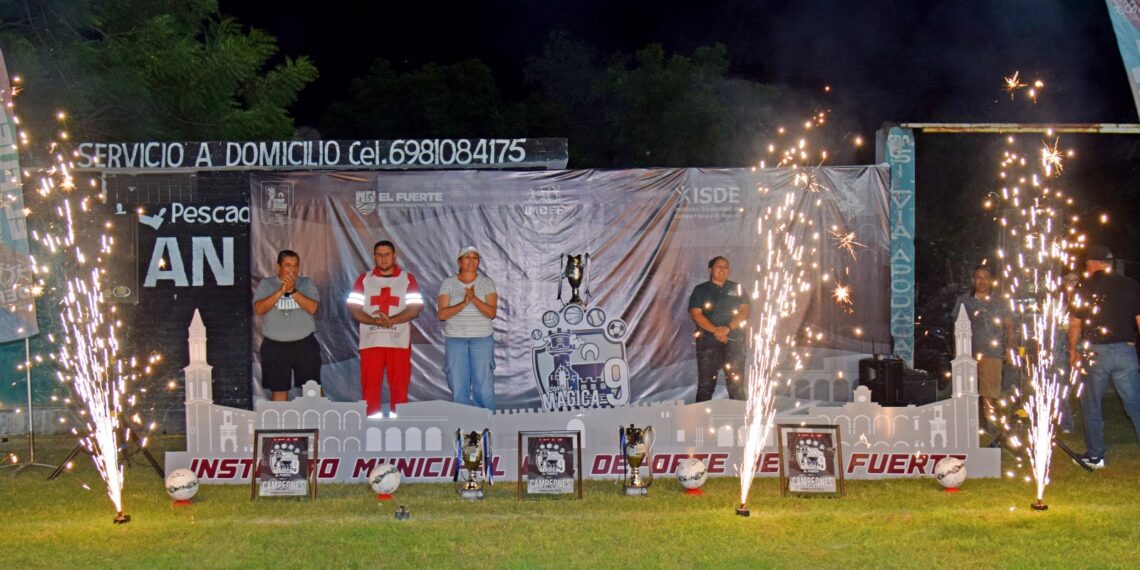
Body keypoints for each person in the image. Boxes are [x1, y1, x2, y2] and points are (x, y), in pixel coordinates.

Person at [1068, 245, 1140, 469]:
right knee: (1135, 405)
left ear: (1091, 263)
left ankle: (1096, 456)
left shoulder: (1085, 287)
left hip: (1096, 353)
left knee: (1092, 405)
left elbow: (1075, 322)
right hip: (1125, 351)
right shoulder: (1131, 285)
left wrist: (1073, 350)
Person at [347, 240, 424, 417]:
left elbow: (414, 309)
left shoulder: (407, 279)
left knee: (399, 387)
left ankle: (399, 429)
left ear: (394, 256)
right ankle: (372, 429)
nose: (383, 258)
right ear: (374, 257)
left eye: (387, 254)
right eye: (379, 255)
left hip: (399, 342)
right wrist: (377, 322)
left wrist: (391, 321)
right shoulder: (364, 279)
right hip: (371, 342)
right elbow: (354, 309)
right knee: (370, 388)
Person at [951, 264, 1015, 437]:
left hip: (992, 352)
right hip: (967, 353)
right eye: (979, 277)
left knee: (989, 390)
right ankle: (965, 423)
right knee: (966, 389)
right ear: (973, 280)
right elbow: (956, 327)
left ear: (991, 280)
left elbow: (1009, 326)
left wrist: (1010, 347)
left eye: (986, 277)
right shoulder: (964, 301)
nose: (982, 281)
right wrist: (958, 352)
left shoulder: (1000, 302)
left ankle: (990, 421)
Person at [253, 250, 321, 401]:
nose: (292, 269)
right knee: (278, 389)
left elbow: (313, 308)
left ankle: (319, 423)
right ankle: (280, 425)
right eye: (288, 265)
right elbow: (259, 309)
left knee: (313, 389)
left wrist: (293, 291)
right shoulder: (267, 283)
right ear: (278, 267)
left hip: (304, 343)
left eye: (296, 265)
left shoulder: (306, 283)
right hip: (275, 345)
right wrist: (281, 291)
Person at [438, 246, 498, 410]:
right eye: (467, 257)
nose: (471, 261)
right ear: (459, 261)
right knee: (458, 387)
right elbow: (442, 314)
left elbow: (491, 313)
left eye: (475, 257)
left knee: (484, 387)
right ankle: (461, 428)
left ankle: (487, 427)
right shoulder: (448, 283)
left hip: (482, 339)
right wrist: (463, 303)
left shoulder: (486, 283)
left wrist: (473, 299)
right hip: (456, 340)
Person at [688, 256, 749, 402]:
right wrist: (715, 330)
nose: (723, 269)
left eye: (726, 266)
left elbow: (745, 312)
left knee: (736, 384)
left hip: (735, 341)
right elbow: (696, 314)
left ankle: (741, 422)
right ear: (710, 269)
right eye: (719, 266)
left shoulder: (737, 288)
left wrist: (727, 328)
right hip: (708, 342)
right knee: (705, 385)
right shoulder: (700, 290)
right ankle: (700, 422)